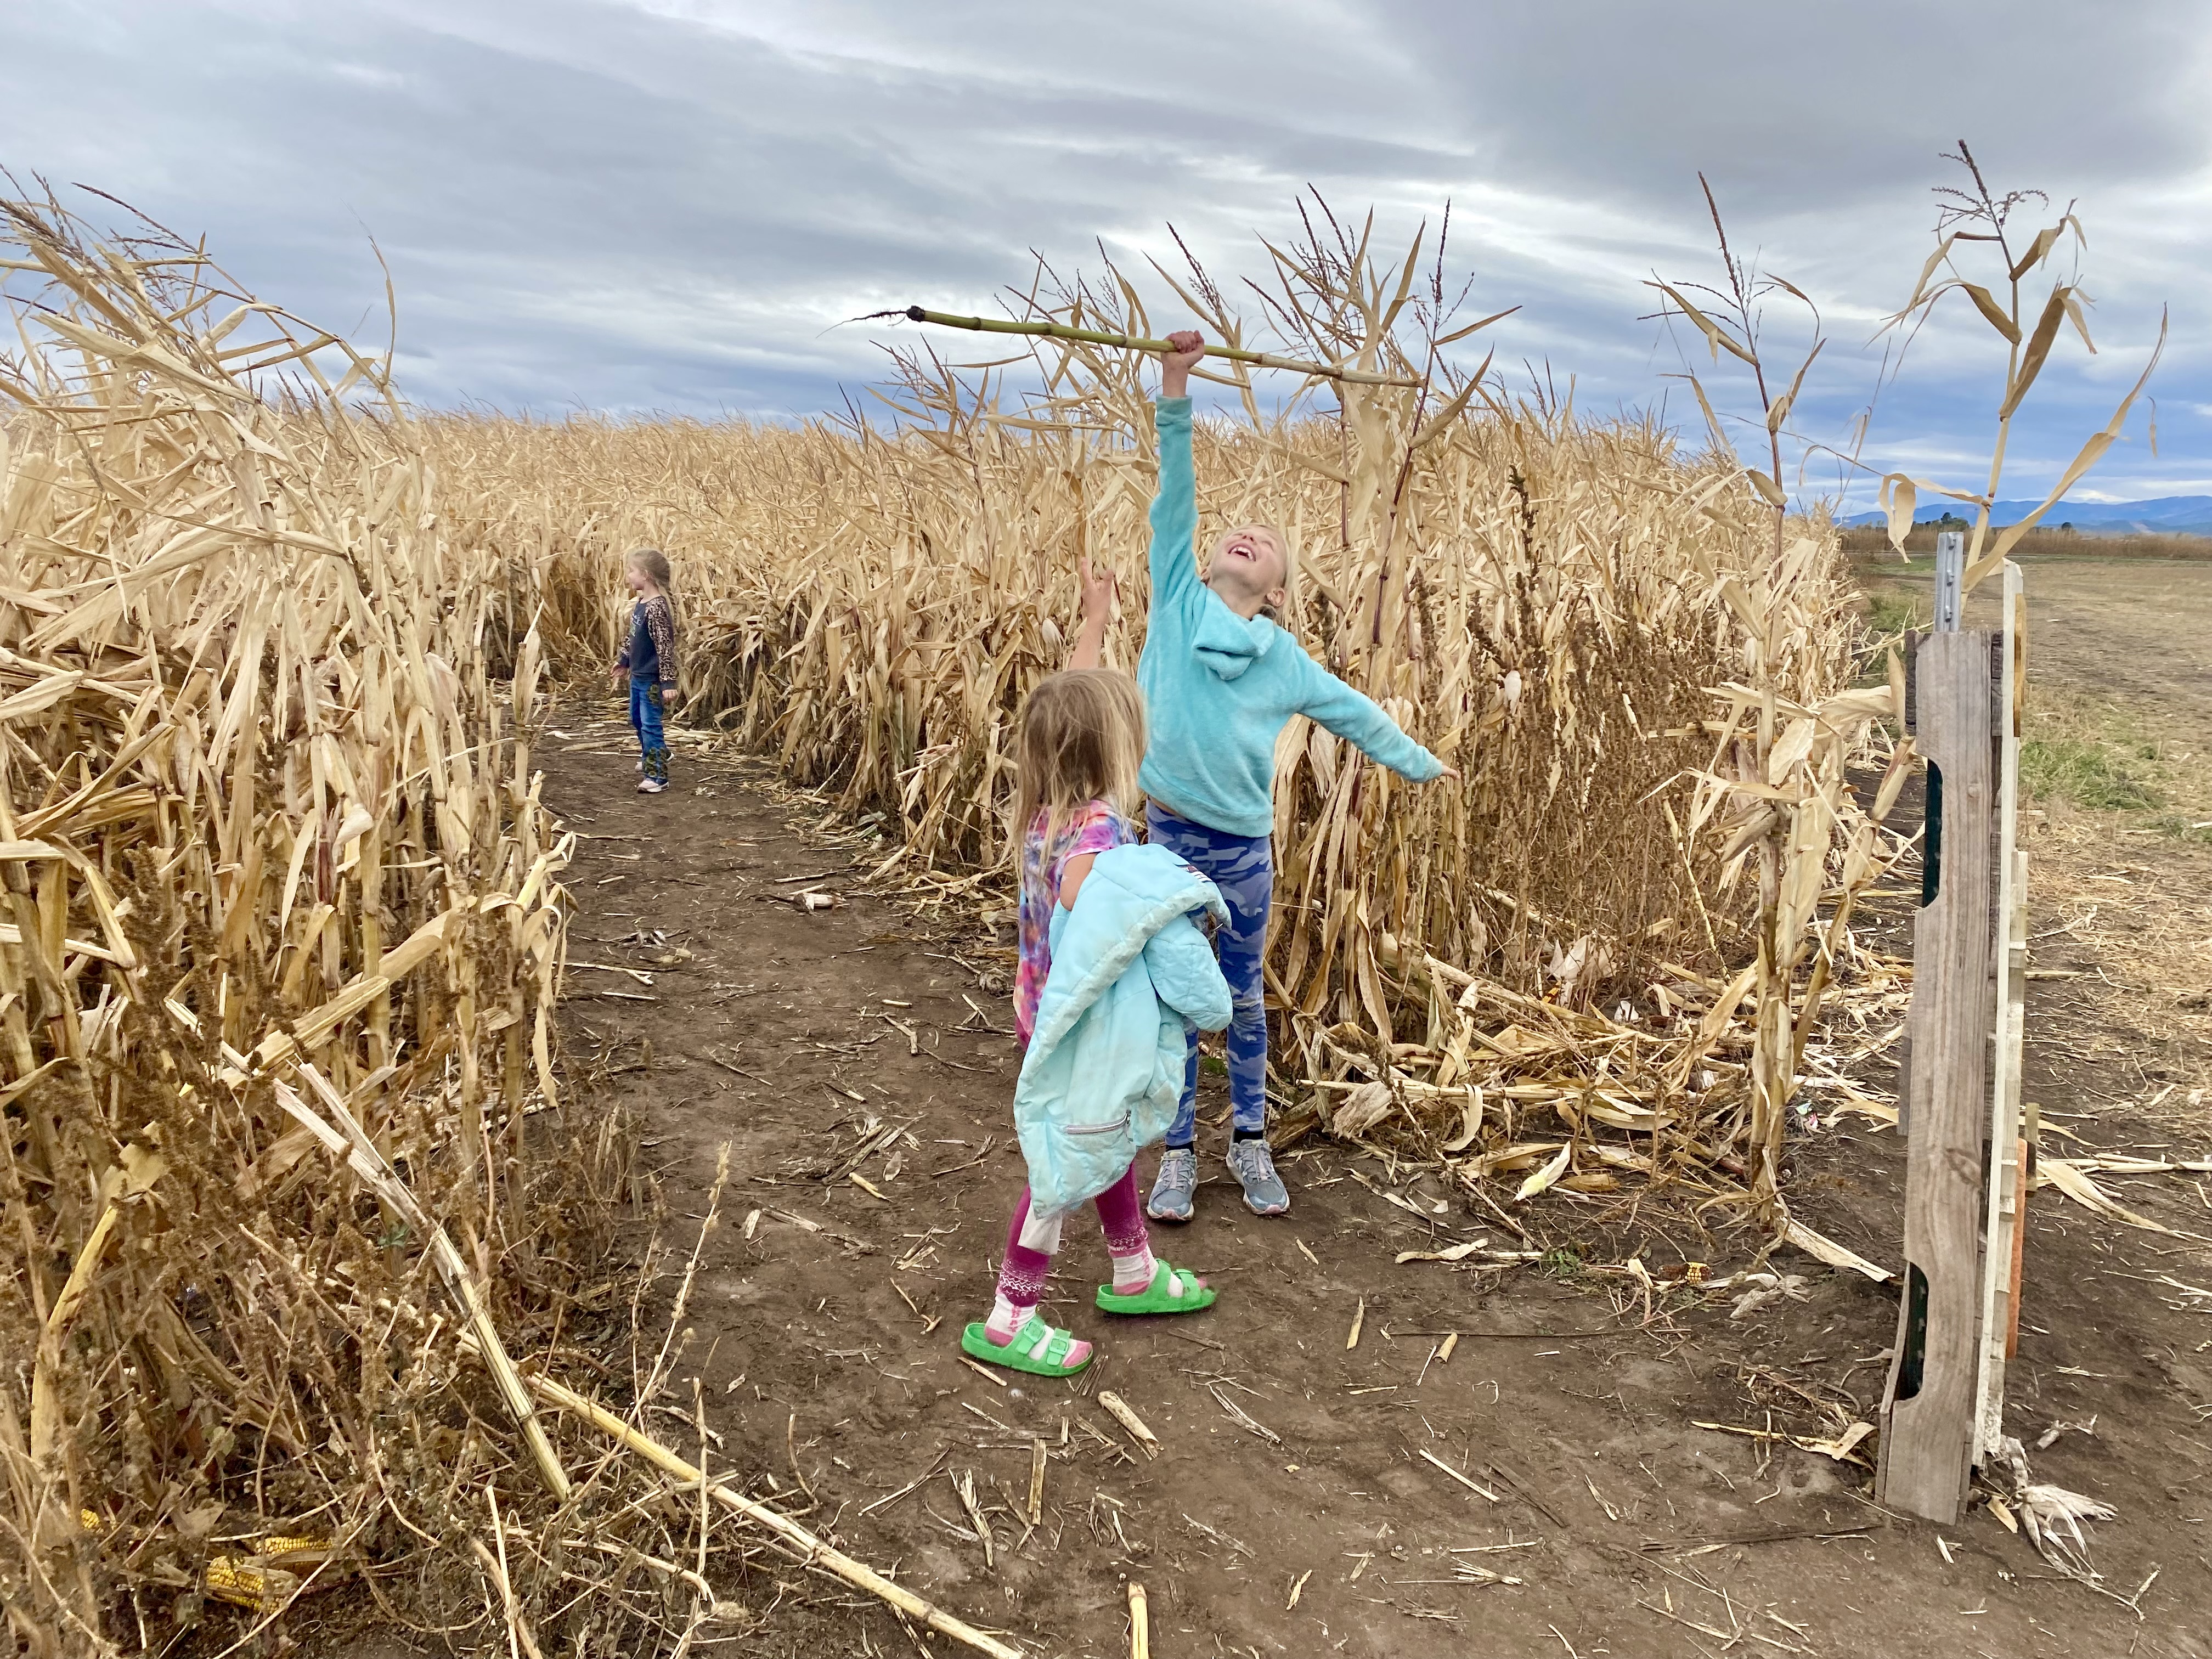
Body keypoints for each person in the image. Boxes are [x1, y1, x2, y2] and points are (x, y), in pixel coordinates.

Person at [1139, 331, 1460, 1223]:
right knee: (1172, 999)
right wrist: (1174, 383)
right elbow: (1177, 494)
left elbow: (1356, 714)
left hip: (1241, 848)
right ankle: (1172, 1155)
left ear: (1278, 591)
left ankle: (1246, 1142)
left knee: (1240, 996)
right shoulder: (1176, 599)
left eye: (1266, 544)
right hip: (1167, 835)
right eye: (1237, 532)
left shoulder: (1284, 658)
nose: (1246, 533)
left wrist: (1424, 764)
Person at [964, 561, 1230, 1377]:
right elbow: (1095, 892)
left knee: (1101, 1146)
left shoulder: (1047, 807)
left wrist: (1095, 621)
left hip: (1040, 1006)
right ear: (1115, 749)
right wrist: (1160, 894)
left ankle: (1134, 1269)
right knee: (1064, 1166)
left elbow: (1067, 702)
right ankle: (1011, 1317)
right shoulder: (1098, 838)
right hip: (1082, 1024)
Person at [610, 548, 678, 794]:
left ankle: (657, 775)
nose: (629, 576)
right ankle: (659, 753)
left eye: (632, 571)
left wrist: (668, 683)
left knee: (650, 725)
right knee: (638, 721)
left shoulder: (657, 608)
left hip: (652, 680)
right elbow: (634, 637)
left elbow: (665, 647)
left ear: (646, 575)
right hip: (638, 676)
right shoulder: (642, 602)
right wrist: (624, 660)